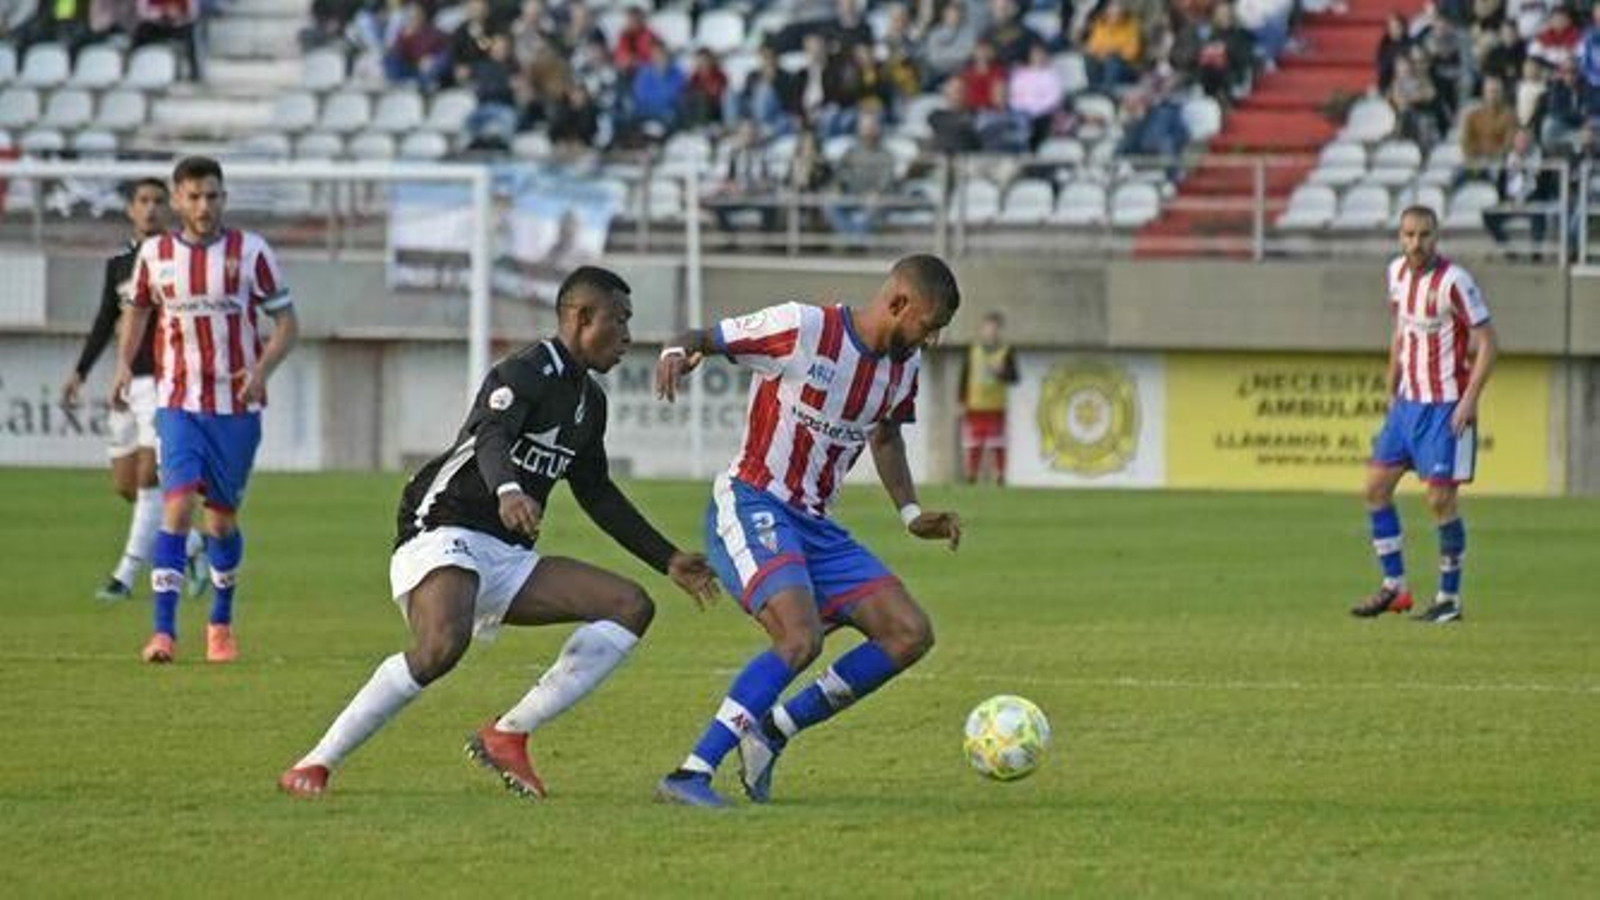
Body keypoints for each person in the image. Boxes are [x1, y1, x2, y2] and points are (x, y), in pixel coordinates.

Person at [278, 267, 719, 800]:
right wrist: (509, 489)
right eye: (619, 321)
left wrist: (666, 557)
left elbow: (596, 491)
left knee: (630, 606)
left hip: (507, 552)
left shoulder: (590, 403)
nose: (627, 336)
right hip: (442, 526)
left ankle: (509, 735)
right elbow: (489, 432)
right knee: (442, 644)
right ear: (581, 318)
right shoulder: (524, 370)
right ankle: (316, 763)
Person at [651, 254, 963, 808]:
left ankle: (773, 732)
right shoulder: (803, 327)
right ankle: (690, 772)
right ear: (897, 304)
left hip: (816, 525)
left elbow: (885, 436)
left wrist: (911, 514)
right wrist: (678, 349)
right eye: (929, 326)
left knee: (909, 633)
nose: (931, 340)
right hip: (753, 501)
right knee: (799, 639)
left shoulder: (902, 367)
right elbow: (706, 335)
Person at [112, 156, 299, 664]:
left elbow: (287, 323)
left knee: (219, 523)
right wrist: (124, 367)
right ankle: (163, 633)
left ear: (223, 198)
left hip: (236, 409)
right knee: (175, 507)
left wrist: (260, 371)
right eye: (193, 196)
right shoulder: (155, 254)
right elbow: (138, 312)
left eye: (212, 196)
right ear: (177, 200)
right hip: (178, 403)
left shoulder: (251, 251)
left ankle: (220, 621)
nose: (203, 205)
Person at [1351, 206, 1497, 625]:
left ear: (1437, 236)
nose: (1416, 244)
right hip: (1407, 404)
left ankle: (1449, 598)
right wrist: (1390, 384)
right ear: (1400, 237)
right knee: (1375, 488)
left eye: (1425, 235)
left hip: (1447, 405)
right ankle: (1395, 587)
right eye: (1409, 235)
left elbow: (1489, 343)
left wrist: (1470, 399)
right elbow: (1400, 332)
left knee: (1439, 499)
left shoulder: (1454, 281)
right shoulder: (1396, 273)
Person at [62, 178, 205, 603]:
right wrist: (82, 371)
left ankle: (123, 577)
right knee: (126, 483)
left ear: (172, 207)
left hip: (167, 381)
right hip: (130, 382)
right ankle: (195, 545)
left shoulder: (180, 260)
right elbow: (106, 321)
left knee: (149, 479)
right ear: (130, 209)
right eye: (143, 201)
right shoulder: (119, 265)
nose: (151, 208)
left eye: (159, 201)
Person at [957, 311, 1018, 484]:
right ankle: (972, 474)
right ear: (982, 329)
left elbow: (1014, 376)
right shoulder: (973, 350)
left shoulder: (1007, 351)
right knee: (974, 443)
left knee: (997, 443)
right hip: (975, 404)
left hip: (996, 405)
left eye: (994, 328)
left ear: (999, 330)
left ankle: (999, 475)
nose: (991, 331)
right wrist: (960, 401)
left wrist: (1002, 373)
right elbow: (964, 376)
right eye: (988, 327)